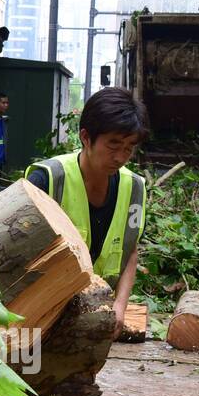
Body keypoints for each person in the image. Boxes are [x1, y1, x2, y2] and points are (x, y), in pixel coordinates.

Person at [27, 86, 149, 341]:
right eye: (113, 145)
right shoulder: (47, 179)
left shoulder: (134, 188)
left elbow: (131, 251)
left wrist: (120, 307)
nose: (120, 157)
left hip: (94, 314)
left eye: (128, 147)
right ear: (86, 137)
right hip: (38, 315)